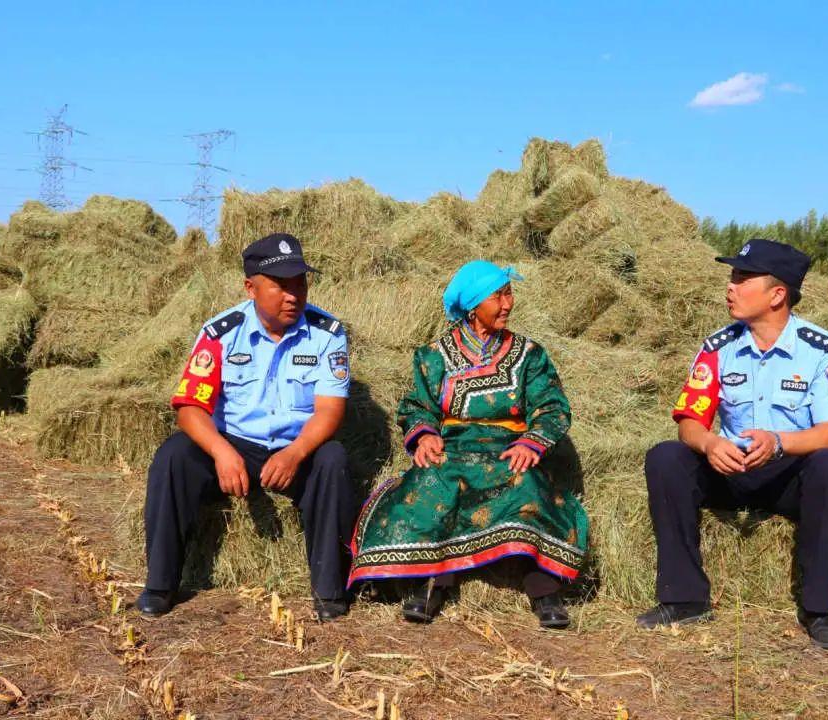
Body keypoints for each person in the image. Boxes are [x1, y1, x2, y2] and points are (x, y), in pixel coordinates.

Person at [637, 239, 828, 650]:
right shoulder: (718, 347)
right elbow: (689, 421)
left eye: (741, 277)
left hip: (788, 473)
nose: (730, 286)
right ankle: (685, 598)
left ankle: (818, 609)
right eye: (732, 276)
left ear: (777, 295)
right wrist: (708, 443)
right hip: (731, 469)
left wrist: (778, 442)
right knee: (666, 457)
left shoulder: (820, 349)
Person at [347, 260, 588, 629]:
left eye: (509, 293)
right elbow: (416, 406)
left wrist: (531, 442)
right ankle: (430, 583)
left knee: (524, 485)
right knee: (433, 484)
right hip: (452, 450)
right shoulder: (433, 355)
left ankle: (543, 590)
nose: (508, 303)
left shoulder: (529, 354)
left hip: (508, 450)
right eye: (498, 296)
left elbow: (552, 407)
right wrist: (425, 434)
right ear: (474, 305)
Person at [137, 232, 357, 622]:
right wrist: (222, 453)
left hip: (295, 447)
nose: (293, 295)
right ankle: (159, 584)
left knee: (333, 458)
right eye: (281, 286)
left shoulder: (328, 333)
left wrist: (296, 453)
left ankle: (329, 591)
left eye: (300, 284)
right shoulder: (219, 333)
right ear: (250, 287)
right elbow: (190, 408)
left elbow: (329, 411)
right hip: (234, 442)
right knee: (173, 455)